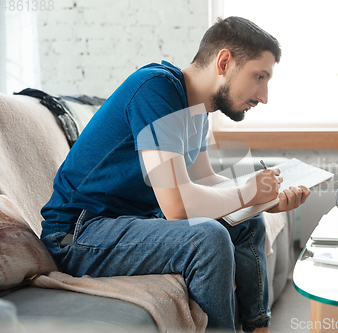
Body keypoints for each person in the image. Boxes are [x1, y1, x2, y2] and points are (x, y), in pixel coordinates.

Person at [40, 16, 310, 332]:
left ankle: (258, 327)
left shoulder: (199, 111)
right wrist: (247, 192)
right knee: (208, 238)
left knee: (248, 221)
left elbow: (204, 181)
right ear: (224, 61)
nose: (263, 95)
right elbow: (178, 207)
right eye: (259, 76)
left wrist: (264, 200)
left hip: (132, 222)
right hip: (80, 232)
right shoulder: (156, 89)